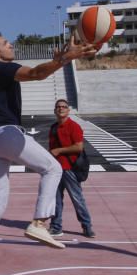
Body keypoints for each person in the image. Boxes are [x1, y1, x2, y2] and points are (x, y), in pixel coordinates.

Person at [0, 33, 96, 275]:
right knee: (53, 168)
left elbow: (38, 71)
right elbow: (36, 74)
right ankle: (38, 223)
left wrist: (58, 60)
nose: (11, 44)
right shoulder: (3, 68)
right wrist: (65, 60)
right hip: (6, 134)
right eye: (5, 43)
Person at [48, 99, 95, 239]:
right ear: (55, 110)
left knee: (77, 199)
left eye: (64, 107)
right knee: (55, 200)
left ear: (68, 110)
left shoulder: (73, 126)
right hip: (55, 170)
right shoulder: (53, 127)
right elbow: (51, 149)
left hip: (69, 169)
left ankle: (87, 226)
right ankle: (56, 227)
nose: (61, 109)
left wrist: (59, 151)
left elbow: (79, 146)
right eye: (58, 107)